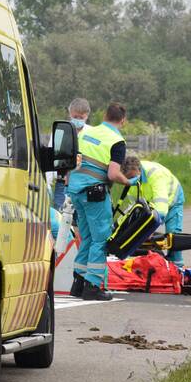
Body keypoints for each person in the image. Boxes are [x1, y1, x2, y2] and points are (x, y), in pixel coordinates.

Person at [67, 102, 138, 301]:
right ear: (122, 120)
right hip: (94, 194)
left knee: (87, 237)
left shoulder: (86, 133)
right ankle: (92, 286)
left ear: (105, 115)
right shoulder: (117, 141)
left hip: (76, 191)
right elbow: (113, 173)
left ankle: (78, 284)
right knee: (100, 239)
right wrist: (128, 182)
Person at [117, 155, 186, 266]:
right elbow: (135, 210)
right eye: (127, 179)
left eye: (131, 177)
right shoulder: (130, 182)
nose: (130, 181)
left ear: (138, 170)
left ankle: (178, 268)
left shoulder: (155, 174)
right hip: (150, 202)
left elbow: (161, 209)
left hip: (172, 199)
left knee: (173, 237)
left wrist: (148, 230)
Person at [52, 98, 91, 211]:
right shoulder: (61, 130)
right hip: (62, 182)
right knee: (60, 214)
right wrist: (48, 182)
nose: (78, 119)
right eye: (75, 116)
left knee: (78, 218)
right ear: (70, 113)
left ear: (87, 116)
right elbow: (52, 154)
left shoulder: (92, 133)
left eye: (81, 117)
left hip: (83, 183)